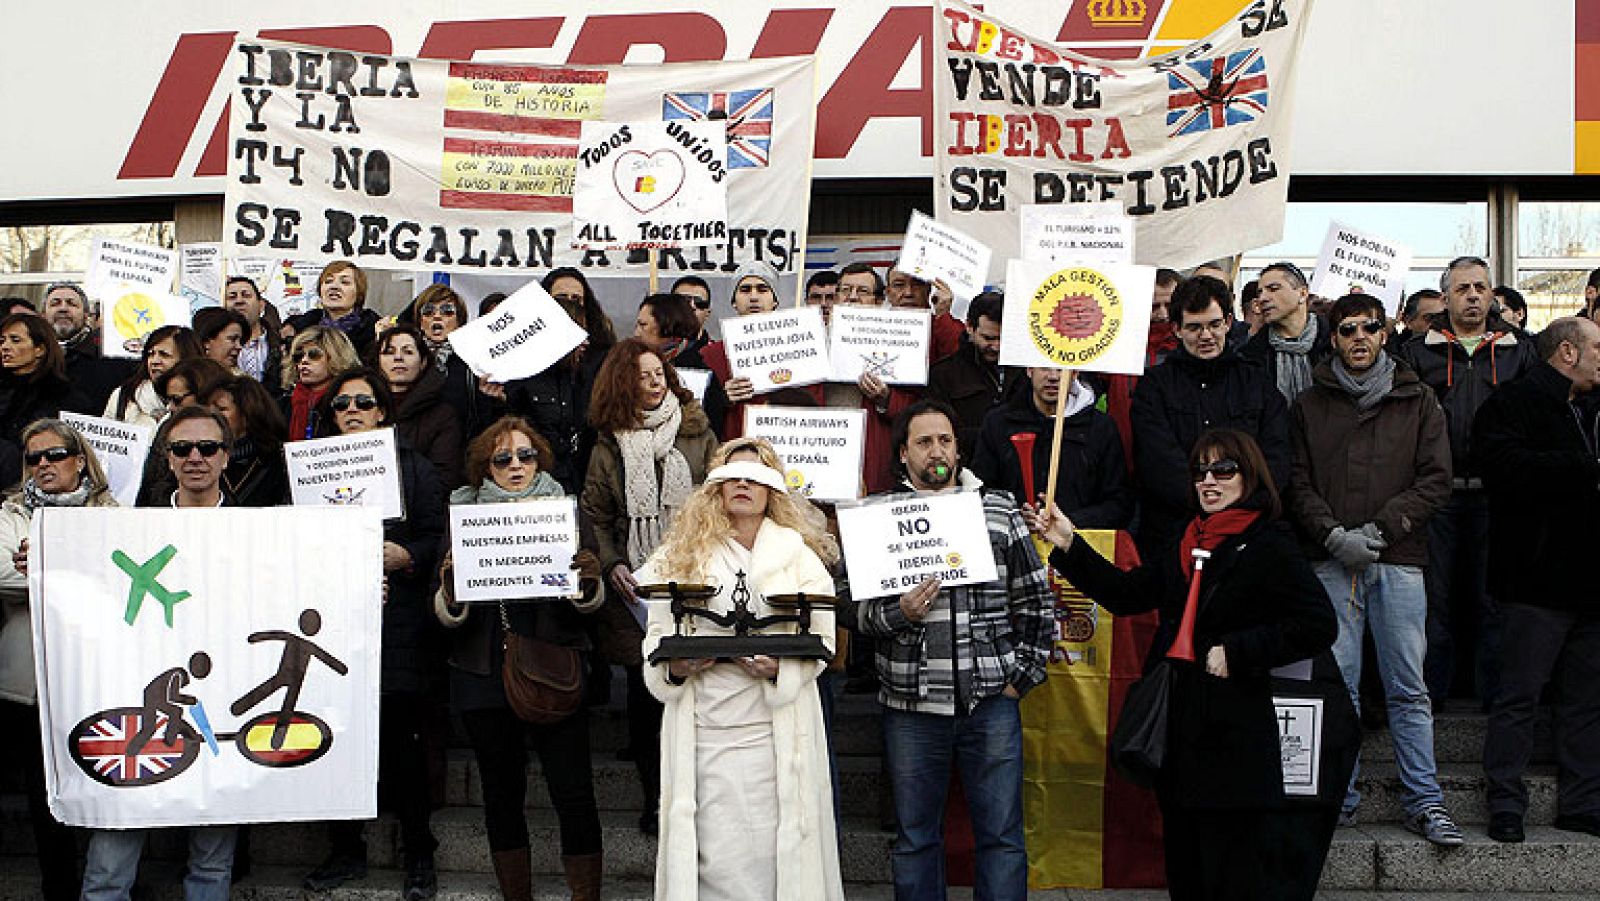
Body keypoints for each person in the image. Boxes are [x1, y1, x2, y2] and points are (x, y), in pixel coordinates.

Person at [1025, 428, 1338, 900]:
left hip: (1236, 735)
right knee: (1185, 868)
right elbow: (1126, 594)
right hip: (1180, 730)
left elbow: (1318, 623)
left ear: (1249, 475)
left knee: (1231, 873)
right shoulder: (1185, 537)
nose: (1209, 481)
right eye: (1200, 471)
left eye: (1223, 470)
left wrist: (1239, 651)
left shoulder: (1270, 542)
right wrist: (1067, 543)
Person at [856, 400, 1052, 901]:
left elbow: (1034, 600)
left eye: (945, 440)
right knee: (916, 838)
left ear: (959, 450)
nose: (936, 451)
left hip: (990, 702)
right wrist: (900, 612)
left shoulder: (999, 509)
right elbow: (853, 613)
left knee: (1002, 838)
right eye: (924, 442)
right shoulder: (877, 517)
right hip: (912, 707)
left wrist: (1020, 676)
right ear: (903, 455)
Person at [1287, 293, 1461, 842]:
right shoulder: (1310, 404)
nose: (1358, 337)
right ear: (1332, 338)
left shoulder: (1419, 399)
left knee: (1408, 689)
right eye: (1345, 330)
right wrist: (1334, 535)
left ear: (1385, 333)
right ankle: (1340, 798)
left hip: (1399, 560)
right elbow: (1296, 480)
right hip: (1334, 561)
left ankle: (1425, 801)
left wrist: (1383, 530)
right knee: (1339, 689)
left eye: (1368, 327)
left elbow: (1436, 478)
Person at [638, 438, 843, 900]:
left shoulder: (797, 553)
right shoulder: (683, 552)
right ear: (716, 487)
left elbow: (824, 639)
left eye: (756, 477)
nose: (744, 484)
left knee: (778, 856)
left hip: (776, 736)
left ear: (773, 490)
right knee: (712, 855)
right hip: (706, 731)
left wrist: (781, 668)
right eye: (733, 477)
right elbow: (654, 637)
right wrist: (677, 665)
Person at [435, 416, 606, 900]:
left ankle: (584, 895)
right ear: (485, 467)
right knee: (500, 795)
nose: (515, 465)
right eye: (503, 458)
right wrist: (451, 589)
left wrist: (587, 583)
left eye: (525, 456)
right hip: (482, 671)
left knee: (573, 792)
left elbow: (592, 607)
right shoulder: (463, 516)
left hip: (555, 668)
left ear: (541, 460)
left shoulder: (567, 515)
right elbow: (443, 608)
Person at [78, 406, 242, 900]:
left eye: (207, 448)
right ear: (167, 459)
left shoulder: (260, 534)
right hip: (136, 699)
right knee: (110, 861)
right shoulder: (129, 528)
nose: (195, 457)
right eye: (181, 448)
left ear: (226, 458)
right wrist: (42, 561)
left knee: (212, 864)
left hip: (220, 702)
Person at [302, 368, 446, 899]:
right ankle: (344, 849)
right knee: (335, 737)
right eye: (342, 405)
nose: (353, 410)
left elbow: (438, 536)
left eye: (364, 402)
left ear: (382, 411)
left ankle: (418, 854)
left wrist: (407, 556)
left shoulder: (416, 467)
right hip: (333, 620)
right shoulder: (311, 470)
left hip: (401, 623)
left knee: (405, 743)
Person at [580, 339, 717, 836]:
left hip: (695, 578)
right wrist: (614, 563)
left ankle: (696, 800)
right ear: (624, 382)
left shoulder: (698, 429)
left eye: (659, 372)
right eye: (642, 375)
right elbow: (595, 513)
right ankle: (655, 800)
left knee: (698, 693)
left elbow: (715, 499)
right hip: (636, 586)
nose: (655, 381)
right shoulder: (608, 442)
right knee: (647, 699)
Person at [1474, 316, 1600, 844]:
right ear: (1568, 352)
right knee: (1518, 697)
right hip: (1534, 584)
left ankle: (1583, 804)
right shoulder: (1511, 404)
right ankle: (1505, 802)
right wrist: (1587, 467)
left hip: (1592, 585)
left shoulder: (1593, 409)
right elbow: (1505, 469)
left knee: (1586, 701)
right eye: (1598, 348)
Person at [1399, 256, 1534, 709]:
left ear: (1493, 293)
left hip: (1500, 499)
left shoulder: (1521, 350)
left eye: (1480, 287)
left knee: (1492, 603)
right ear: (1446, 297)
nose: (1473, 295)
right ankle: (1433, 704)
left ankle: (1489, 706)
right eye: (1462, 289)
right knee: (1434, 606)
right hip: (1437, 498)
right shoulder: (1416, 352)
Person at [1, 419, 117, 900]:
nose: (43, 464)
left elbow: (118, 584)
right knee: (41, 797)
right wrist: (75, 569)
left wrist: (47, 568)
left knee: (95, 790)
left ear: (78, 458)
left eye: (54, 455)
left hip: (93, 678)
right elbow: (4, 575)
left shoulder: (113, 514)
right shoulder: (10, 513)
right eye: (33, 458)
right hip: (27, 681)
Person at [1129, 275, 1290, 558]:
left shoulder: (1257, 383)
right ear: (1177, 329)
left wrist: (1238, 511)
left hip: (1248, 533)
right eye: (1194, 327)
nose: (1206, 336)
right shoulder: (1153, 387)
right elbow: (1158, 462)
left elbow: (1276, 456)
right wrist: (1209, 505)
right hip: (1175, 535)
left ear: (1228, 322)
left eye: (1214, 325)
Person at [971, 366, 1132, 530]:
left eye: (1061, 369)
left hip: (1079, 547)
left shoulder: (1100, 428)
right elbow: (981, 492)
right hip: (1014, 545)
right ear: (1029, 369)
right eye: (1045, 368)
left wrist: (1070, 522)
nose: (1053, 377)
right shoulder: (998, 423)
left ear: (1075, 373)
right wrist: (1015, 517)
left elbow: (1119, 503)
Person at [504, 277, 611, 495]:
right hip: (538, 489)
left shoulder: (592, 373)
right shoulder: (521, 376)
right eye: (576, 333)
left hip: (584, 485)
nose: (585, 342)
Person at [825, 263, 921, 494]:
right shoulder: (813, 341)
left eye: (863, 292)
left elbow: (919, 410)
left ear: (879, 301)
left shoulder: (900, 341)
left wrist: (886, 398)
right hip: (824, 456)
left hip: (874, 465)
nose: (853, 298)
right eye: (846, 290)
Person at [1101, 268, 1181, 475]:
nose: (1162, 314)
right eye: (1154, 306)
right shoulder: (1115, 348)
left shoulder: (1188, 352)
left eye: (1169, 306)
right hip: (1122, 465)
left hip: (1173, 468)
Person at [0, 313, 90, 488]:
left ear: (39, 349)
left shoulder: (66, 397)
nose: (5, 347)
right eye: (2, 341)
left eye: (15, 340)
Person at [375, 323, 465, 489]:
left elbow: (445, 477)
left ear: (423, 362)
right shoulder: (362, 406)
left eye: (408, 351)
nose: (398, 358)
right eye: (389, 352)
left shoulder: (443, 415)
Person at [925, 291, 1008, 462]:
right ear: (969, 327)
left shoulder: (1023, 371)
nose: (997, 347)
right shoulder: (943, 374)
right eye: (989, 338)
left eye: (1003, 339)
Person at [410, 282, 499, 437]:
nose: (437, 316)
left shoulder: (472, 363)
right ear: (420, 322)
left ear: (459, 321)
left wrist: (490, 399)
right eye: (428, 311)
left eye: (447, 311)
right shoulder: (408, 359)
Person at [1243, 262, 1332, 404]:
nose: (1263, 298)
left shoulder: (1335, 343)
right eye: (1260, 292)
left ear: (1302, 294)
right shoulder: (1251, 356)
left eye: (1273, 289)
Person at [197, 376, 289, 507]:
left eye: (221, 409)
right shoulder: (196, 457)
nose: (211, 416)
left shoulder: (278, 463)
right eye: (208, 409)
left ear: (247, 413)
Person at [42, 281, 132, 411]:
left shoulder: (112, 358)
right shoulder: (30, 357)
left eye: (71, 304)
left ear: (86, 315)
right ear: (43, 315)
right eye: (55, 303)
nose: (63, 308)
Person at [104, 324, 202, 428]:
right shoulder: (123, 396)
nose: (154, 361)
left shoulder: (203, 398)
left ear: (185, 359)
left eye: (164, 355)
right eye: (151, 354)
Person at [285, 261, 381, 358]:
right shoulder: (299, 329)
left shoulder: (374, 332)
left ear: (359, 293)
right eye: (328, 281)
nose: (334, 287)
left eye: (345, 282)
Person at [281, 325, 361, 442]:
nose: (304, 361)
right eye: (298, 356)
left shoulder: (349, 402)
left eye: (314, 355)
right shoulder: (284, 405)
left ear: (336, 356)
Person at [885, 266, 963, 362]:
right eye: (899, 285)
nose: (908, 293)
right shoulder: (874, 329)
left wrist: (943, 314)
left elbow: (959, 362)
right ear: (888, 293)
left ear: (928, 289)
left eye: (917, 284)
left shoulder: (945, 325)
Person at [226, 276, 283, 385]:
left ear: (261, 305)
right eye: (232, 297)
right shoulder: (216, 347)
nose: (239, 301)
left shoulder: (282, 344)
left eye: (246, 295)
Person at [193, 307, 249, 373]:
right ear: (207, 343)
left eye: (241, 341)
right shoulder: (186, 379)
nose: (239, 346)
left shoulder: (241, 380)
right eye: (232, 339)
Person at [669, 274, 714, 351]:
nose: (692, 306)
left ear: (707, 313)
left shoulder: (718, 355)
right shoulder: (652, 350)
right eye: (683, 301)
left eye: (699, 303)